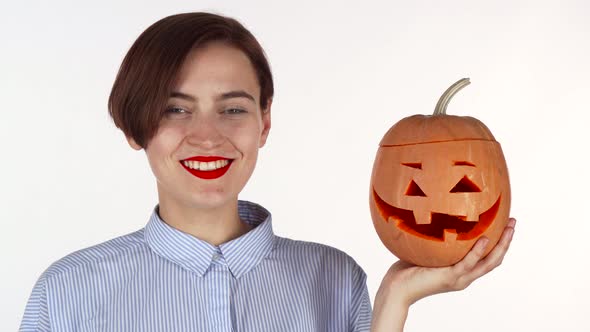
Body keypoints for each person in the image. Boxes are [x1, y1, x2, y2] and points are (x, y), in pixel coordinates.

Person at [19, 12, 515, 332]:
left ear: (265, 123)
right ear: (135, 127)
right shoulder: (67, 293)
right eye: (175, 109)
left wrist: (394, 301)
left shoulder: (335, 280)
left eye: (233, 109)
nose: (207, 135)